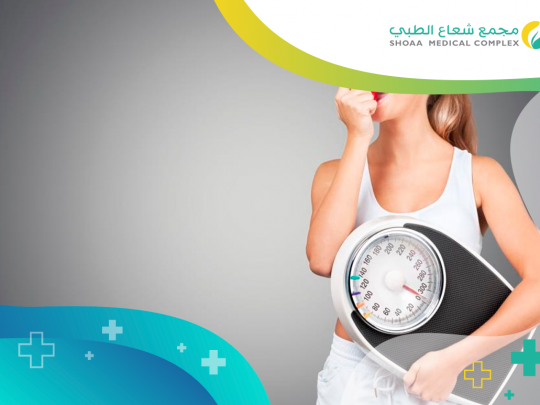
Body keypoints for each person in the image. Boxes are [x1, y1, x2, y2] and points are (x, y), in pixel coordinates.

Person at [306, 90, 540, 404]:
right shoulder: (334, 172)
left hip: (443, 376)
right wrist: (358, 137)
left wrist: (456, 360)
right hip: (355, 374)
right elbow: (323, 261)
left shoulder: (478, 175)